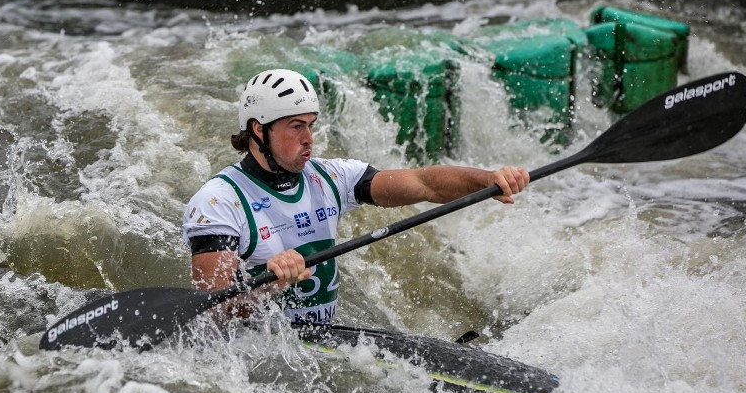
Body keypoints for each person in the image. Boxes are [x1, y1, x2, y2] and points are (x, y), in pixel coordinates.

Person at [182, 68, 529, 326]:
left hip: (320, 345)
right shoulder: (219, 201)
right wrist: (271, 284)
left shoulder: (331, 177)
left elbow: (426, 183)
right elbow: (214, 312)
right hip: (256, 351)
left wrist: (488, 180)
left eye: (311, 125)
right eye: (295, 126)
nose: (309, 139)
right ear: (259, 130)